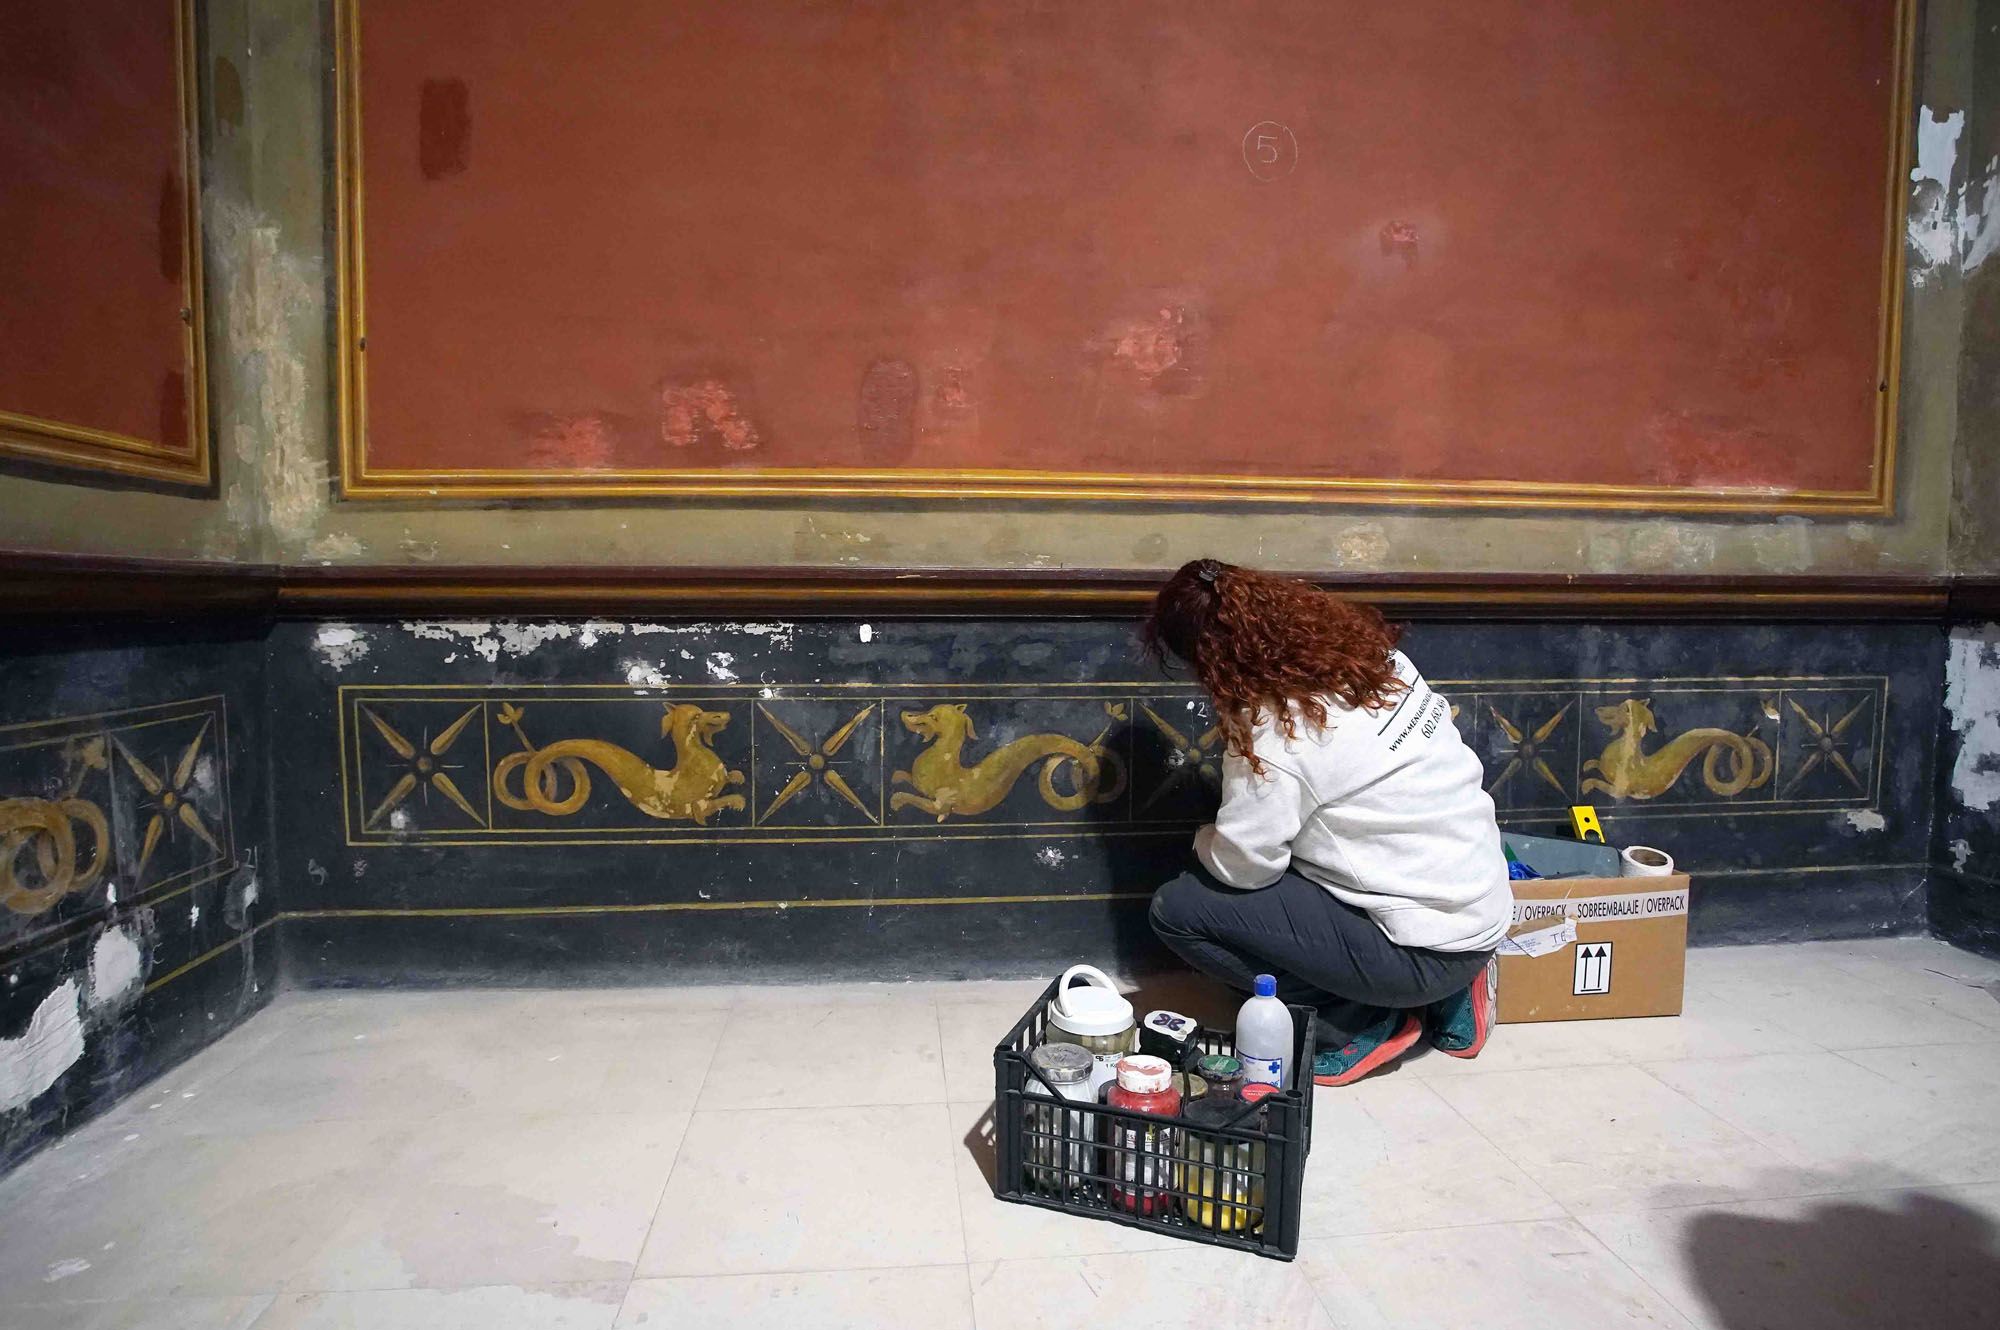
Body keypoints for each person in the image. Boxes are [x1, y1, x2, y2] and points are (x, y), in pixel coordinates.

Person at [1142, 558, 1509, 1085]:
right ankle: (1456, 991)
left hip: (1422, 950)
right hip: (1482, 905)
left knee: (1178, 909)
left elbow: (1245, 869)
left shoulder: (1274, 736)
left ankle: (1360, 1024)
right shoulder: (1377, 662)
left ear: (1210, 663)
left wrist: (1205, 840)